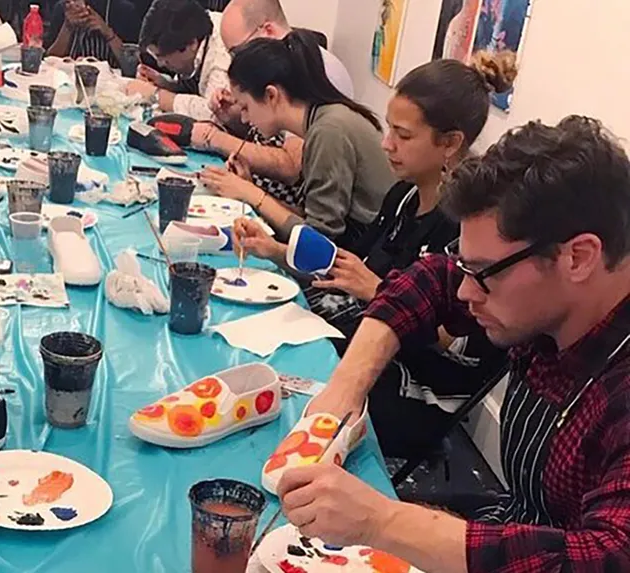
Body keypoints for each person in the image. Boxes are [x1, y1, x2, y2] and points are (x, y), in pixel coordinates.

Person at [275, 115, 630, 572]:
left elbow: (607, 558)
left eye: (481, 274)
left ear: (578, 257)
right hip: (511, 523)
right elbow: (433, 281)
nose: (465, 292)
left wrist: (383, 521)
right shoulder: (548, 302)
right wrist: (342, 392)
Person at [234, 54, 516, 457]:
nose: (386, 144)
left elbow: (462, 344)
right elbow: (348, 266)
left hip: (419, 389)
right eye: (388, 129)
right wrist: (275, 250)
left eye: (403, 135)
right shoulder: (402, 197)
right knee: (263, 360)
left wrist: (376, 290)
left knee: (283, 401)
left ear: (450, 143)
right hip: (369, 343)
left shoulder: (465, 232)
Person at [201, 32, 393, 251]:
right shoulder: (323, 120)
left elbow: (319, 243)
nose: (244, 118)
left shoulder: (329, 130)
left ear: (271, 95)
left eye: (245, 107)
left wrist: (252, 194)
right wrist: (250, 188)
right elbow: (309, 217)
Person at [189, 0, 354, 209]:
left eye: (237, 52)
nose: (235, 61)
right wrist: (234, 114)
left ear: (267, 30)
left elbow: (292, 167)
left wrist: (213, 138)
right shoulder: (286, 63)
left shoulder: (312, 70)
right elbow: (270, 135)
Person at [126, 0, 231, 122]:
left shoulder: (221, 59)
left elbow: (215, 114)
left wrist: (156, 96)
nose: (160, 64)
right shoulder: (196, 27)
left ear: (191, 43)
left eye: (163, 57)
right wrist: (167, 84)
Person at [45, 0, 142, 66]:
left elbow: (132, 65)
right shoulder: (63, 7)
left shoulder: (123, 10)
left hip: (111, 85)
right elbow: (50, 61)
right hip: (68, 80)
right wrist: (67, 27)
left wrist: (107, 32)